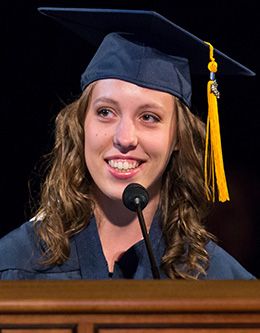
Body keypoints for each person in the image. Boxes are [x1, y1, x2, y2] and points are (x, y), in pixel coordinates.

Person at [0, 8, 256, 280]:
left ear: (179, 137)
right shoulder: (14, 266)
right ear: (80, 126)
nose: (124, 138)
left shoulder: (220, 283)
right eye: (106, 112)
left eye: (149, 117)